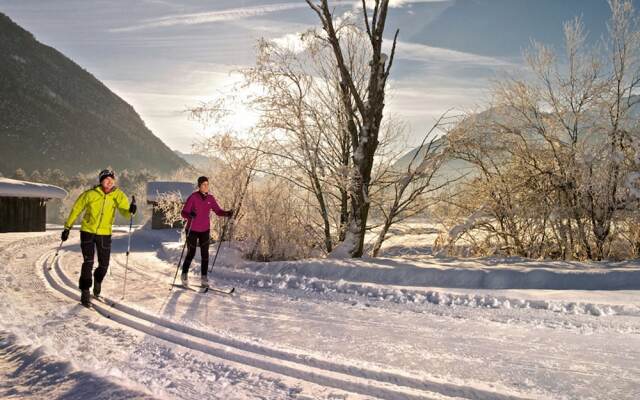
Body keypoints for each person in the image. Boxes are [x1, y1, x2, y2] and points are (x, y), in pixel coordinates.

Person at [61, 169, 136, 306]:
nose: (109, 182)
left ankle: (98, 280)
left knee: (104, 264)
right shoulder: (90, 194)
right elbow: (76, 209)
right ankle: (85, 291)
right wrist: (67, 227)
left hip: (104, 233)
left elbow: (125, 212)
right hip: (87, 231)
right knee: (88, 262)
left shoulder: (118, 195)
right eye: (106, 179)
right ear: (101, 181)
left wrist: (131, 210)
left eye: (111, 179)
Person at [180, 176, 233, 288]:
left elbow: (218, 211)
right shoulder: (193, 197)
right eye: (204, 184)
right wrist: (190, 215)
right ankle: (184, 274)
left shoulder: (210, 198)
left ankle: (204, 278)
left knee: (205, 254)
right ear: (199, 186)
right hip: (192, 229)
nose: (206, 186)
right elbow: (183, 213)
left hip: (205, 230)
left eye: (207, 184)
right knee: (191, 252)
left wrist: (227, 213)